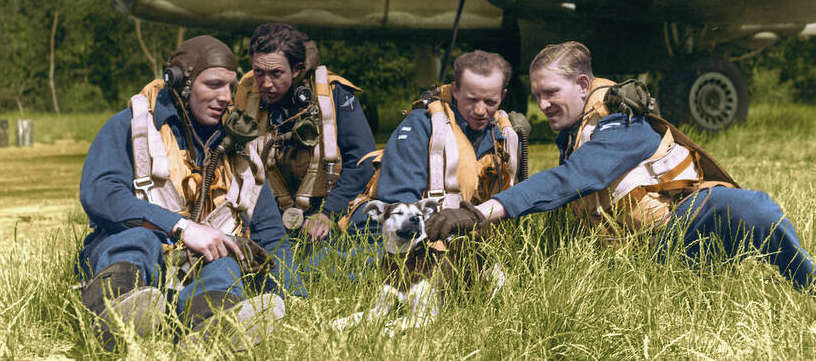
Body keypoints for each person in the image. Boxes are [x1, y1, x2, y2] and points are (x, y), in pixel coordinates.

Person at [425, 41, 816, 290]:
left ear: (583, 85)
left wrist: (479, 214)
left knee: (752, 208)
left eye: (551, 93)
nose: (542, 105)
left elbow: (575, 178)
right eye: (537, 95)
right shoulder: (573, 131)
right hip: (646, 258)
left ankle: (809, 285)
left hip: (687, 223)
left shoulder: (624, 120)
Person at [77, 35, 304, 351]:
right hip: (137, 257)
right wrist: (181, 227)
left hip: (197, 270)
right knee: (138, 241)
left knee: (224, 261)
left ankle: (209, 332)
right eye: (213, 85)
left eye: (230, 86)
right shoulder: (131, 127)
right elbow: (100, 194)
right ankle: (113, 319)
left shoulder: (241, 149)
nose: (226, 97)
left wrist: (294, 297)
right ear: (181, 84)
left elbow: (269, 231)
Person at [344, 49, 524, 230]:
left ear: (503, 96)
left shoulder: (503, 136)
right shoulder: (422, 126)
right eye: (471, 99)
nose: (479, 110)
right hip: (386, 232)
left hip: (458, 232)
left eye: (490, 102)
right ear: (455, 90)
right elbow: (399, 204)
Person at [233, 23, 376, 240]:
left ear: (297, 68)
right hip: (267, 210)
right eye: (258, 72)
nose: (266, 83)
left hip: (328, 207)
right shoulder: (247, 94)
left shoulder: (333, 94)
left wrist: (328, 212)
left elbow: (362, 162)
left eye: (276, 73)